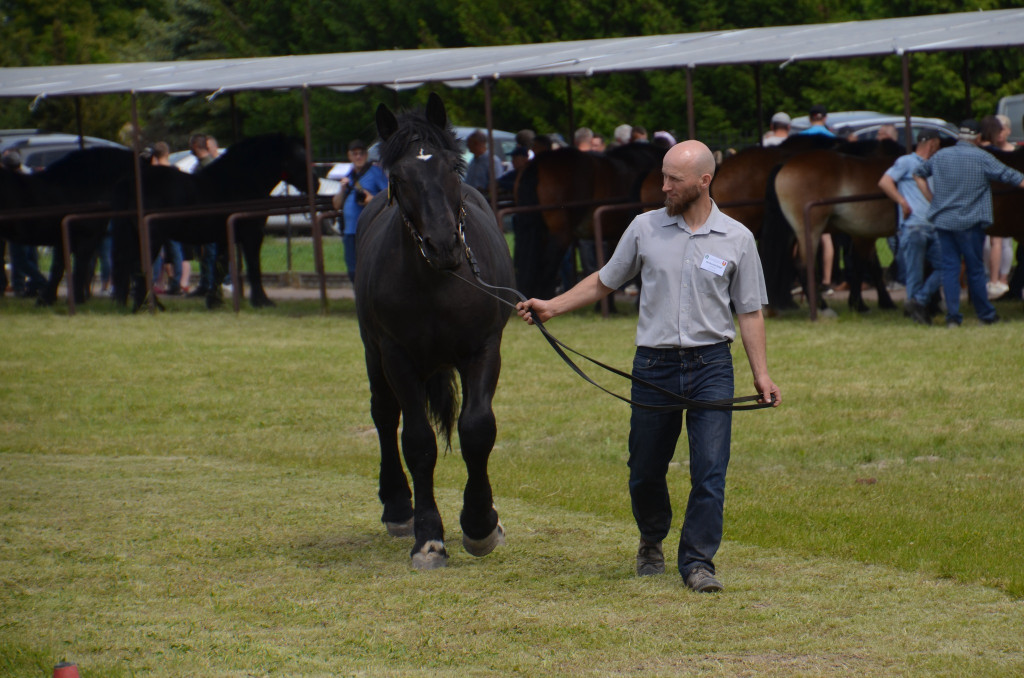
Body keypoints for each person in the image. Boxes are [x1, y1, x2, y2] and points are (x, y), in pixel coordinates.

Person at [515, 140, 781, 592]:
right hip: (653, 366)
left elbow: (750, 310)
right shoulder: (644, 228)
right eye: (663, 176)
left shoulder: (737, 238)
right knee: (644, 470)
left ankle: (698, 563)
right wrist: (551, 307)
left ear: (704, 181)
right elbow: (604, 281)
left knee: (710, 470)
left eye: (674, 180)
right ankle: (651, 538)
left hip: (711, 364)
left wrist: (761, 373)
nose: (663, 187)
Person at [913, 119, 1024, 327]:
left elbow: (918, 174)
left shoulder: (941, 156)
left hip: (944, 222)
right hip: (970, 223)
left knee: (949, 269)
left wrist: (932, 199)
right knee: (975, 270)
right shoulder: (982, 157)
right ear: (979, 137)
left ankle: (953, 318)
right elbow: (1011, 176)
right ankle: (986, 315)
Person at [878, 129, 943, 324]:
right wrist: (902, 201)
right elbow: (885, 181)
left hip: (934, 226)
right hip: (914, 225)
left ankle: (917, 301)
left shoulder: (934, 164)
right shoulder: (906, 162)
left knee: (948, 265)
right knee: (915, 272)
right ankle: (917, 311)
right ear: (932, 143)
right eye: (938, 144)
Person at [331, 139, 387, 284]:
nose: (358, 157)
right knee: (352, 271)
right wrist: (342, 189)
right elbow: (336, 205)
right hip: (350, 232)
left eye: (361, 153)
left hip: (369, 230)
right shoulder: (348, 176)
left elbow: (389, 197)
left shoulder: (375, 173)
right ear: (349, 156)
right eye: (354, 154)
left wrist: (371, 200)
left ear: (366, 155)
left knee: (371, 267)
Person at [1, 149, 47, 297]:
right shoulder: (27, 178)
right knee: (30, 257)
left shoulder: (10, 183)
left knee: (20, 259)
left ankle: (41, 282)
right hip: (30, 223)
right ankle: (33, 286)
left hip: (17, 225)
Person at [979, 115, 1014, 298]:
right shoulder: (991, 154)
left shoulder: (980, 151)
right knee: (995, 241)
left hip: (993, 201)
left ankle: (995, 280)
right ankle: (994, 280)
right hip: (993, 200)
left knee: (997, 241)